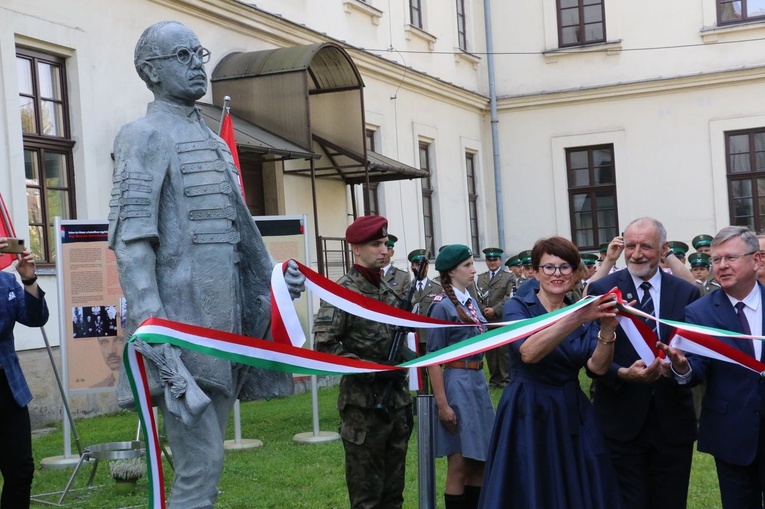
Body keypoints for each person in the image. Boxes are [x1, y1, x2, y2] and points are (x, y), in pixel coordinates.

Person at [108, 21, 302, 508]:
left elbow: (234, 236)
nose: (198, 64)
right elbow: (132, 246)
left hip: (227, 325)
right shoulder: (143, 135)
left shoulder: (215, 142)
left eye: (199, 53)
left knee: (206, 466)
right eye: (183, 55)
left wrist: (275, 283)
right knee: (200, 467)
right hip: (184, 333)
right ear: (150, 71)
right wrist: (157, 335)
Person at [480, 237, 622, 508]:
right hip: (528, 408)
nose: (557, 274)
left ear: (576, 272)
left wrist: (606, 330)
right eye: (549, 267)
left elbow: (597, 367)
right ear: (534, 271)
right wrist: (578, 317)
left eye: (565, 267)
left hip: (571, 408)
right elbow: (529, 353)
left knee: (583, 482)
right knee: (531, 483)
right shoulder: (519, 307)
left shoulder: (582, 310)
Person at [587, 217, 699, 509]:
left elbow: (696, 354)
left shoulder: (685, 292)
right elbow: (588, 353)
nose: (636, 254)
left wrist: (679, 367)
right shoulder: (602, 290)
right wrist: (622, 373)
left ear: (663, 250)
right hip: (620, 418)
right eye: (631, 245)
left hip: (672, 421)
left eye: (646, 246)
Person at [661, 226, 765, 508]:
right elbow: (697, 368)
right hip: (731, 430)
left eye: (730, 258)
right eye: (716, 260)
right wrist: (681, 367)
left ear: (756, 260)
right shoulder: (700, 312)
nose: (721, 266)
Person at [314, 215, 413, 509]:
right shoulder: (342, 292)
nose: (384, 250)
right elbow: (325, 346)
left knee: (393, 495)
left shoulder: (391, 290)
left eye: (385, 244)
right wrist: (371, 370)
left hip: (396, 402)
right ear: (356, 249)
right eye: (375, 244)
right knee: (367, 499)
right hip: (363, 408)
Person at [426, 244, 494, 509]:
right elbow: (434, 358)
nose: (473, 270)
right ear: (451, 271)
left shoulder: (471, 302)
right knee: (459, 463)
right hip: (457, 384)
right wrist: (442, 404)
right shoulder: (441, 307)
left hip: (478, 383)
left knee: (481, 460)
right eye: (467, 265)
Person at [0, 240, 48, 508]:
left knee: (20, 470)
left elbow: (36, 318)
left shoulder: (6, 282)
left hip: (9, 388)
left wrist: (29, 281)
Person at [474, 247, 513, 388]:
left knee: (503, 352)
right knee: (490, 352)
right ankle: (494, 378)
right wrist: (484, 310)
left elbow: (509, 297)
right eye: (489, 260)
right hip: (486, 319)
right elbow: (475, 298)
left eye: (495, 260)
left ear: (500, 260)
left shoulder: (508, 277)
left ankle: (505, 378)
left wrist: (495, 310)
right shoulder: (480, 278)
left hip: (501, 318)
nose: (492, 263)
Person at [409, 248, 441, 394]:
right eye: (418, 265)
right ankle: (422, 402)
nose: (422, 268)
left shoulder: (437, 288)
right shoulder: (407, 289)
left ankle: (437, 399)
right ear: (412, 267)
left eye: (425, 265)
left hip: (432, 336)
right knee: (419, 371)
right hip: (414, 336)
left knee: (435, 368)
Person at [382, 234, 411, 299]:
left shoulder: (402, 276)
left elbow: (407, 301)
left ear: (392, 252)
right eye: (381, 249)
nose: (383, 252)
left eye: (387, 249)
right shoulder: (370, 274)